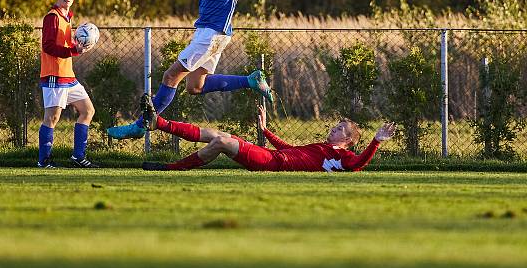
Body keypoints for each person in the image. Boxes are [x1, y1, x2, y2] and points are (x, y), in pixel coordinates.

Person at [108, 0, 279, 140]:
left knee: (171, 76)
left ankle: (141, 126)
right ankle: (251, 80)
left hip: (213, 32)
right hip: (207, 32)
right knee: (195, 86)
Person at [138, 94, 395, 172]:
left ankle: (171, 168)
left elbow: (359, 163)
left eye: (340, 129)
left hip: (271, 163)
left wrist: (375, 141)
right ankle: (158, 123)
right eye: (335, 124)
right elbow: (288, 149)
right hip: (271, 155)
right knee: (220, 134)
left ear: (348, 140)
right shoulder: (323, 147)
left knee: (221, 142)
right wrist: (265, 130)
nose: (333, 128)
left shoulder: (344, 159)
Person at [38, 0, 98, 168]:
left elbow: (64, 44)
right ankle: (44, 161)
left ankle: (78, 157)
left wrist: (77, 47)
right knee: (52, 118)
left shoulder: (68, 16)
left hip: (68, 75)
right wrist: (72, 51)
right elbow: (48, 46)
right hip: (54, 75)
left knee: (88, 111)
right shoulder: (52, 17)